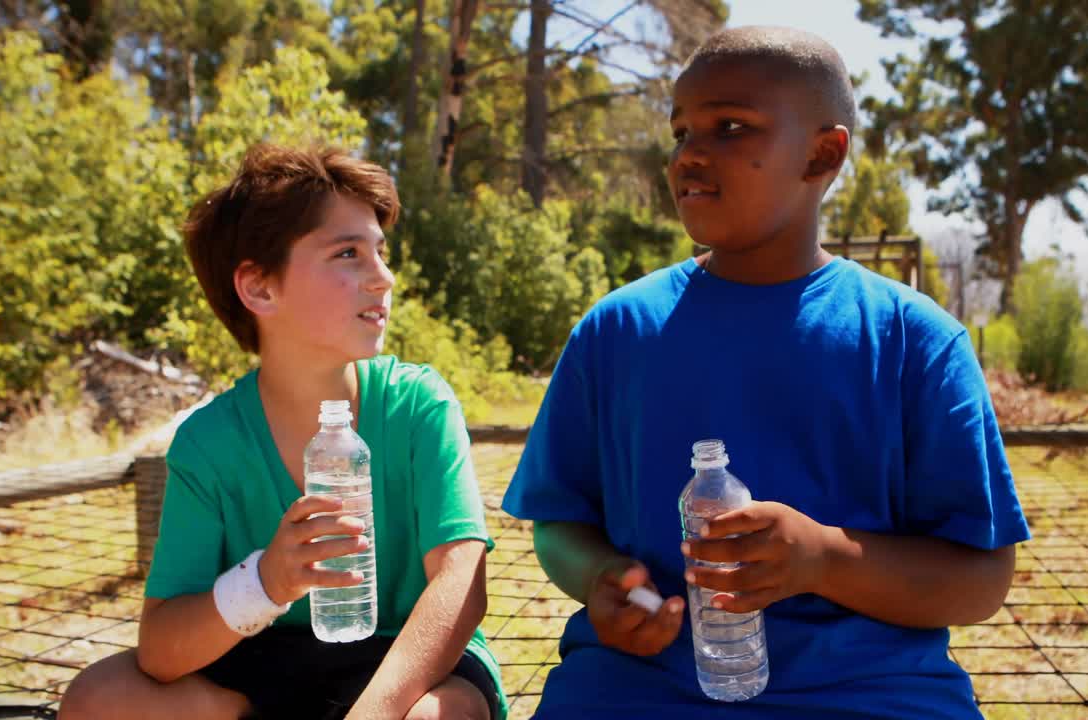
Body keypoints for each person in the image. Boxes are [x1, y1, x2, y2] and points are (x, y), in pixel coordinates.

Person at [501, 25, 1029, 719]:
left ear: (822, 153)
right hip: (638, 688)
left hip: (872, 694)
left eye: (729, 127)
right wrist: (601, 577)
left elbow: (981, 579)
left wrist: (820, 558)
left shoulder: (914, 340)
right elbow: (558, 524)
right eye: (680, 132)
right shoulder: (616, 331)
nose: (690, 155)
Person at [60, 144, 505, 720]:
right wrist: (265, 582)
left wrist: (372, 714)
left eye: (380, 252)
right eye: (348, 253)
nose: (383, 278)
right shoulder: (208, 443)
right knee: (100, 697)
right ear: (260, 289)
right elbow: (162, 650)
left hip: (407, 663)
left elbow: (459, 582)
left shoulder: (419, 404)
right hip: (264, 663)